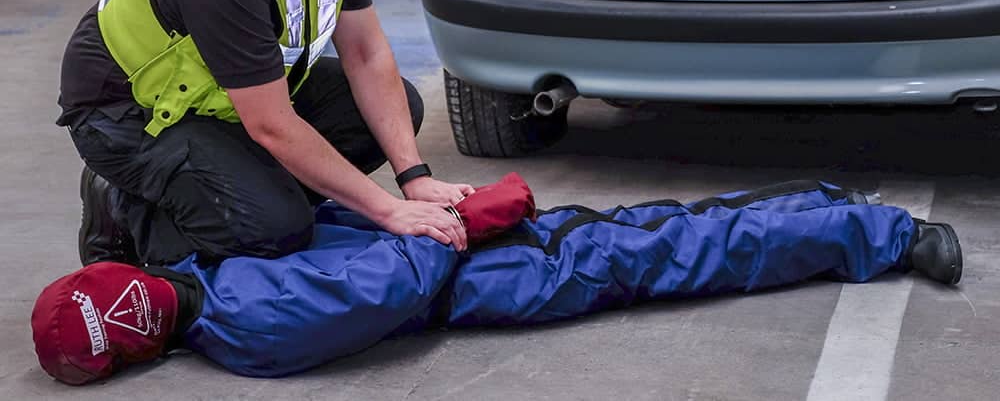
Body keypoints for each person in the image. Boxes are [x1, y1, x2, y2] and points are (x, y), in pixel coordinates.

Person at [31, 177, 963, 384]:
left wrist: (423, 196)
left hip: (468, 245)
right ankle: (880, 232)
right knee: (686, 251)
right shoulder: (250, 324)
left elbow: (338, 229)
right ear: (135, 346)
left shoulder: (199, 267)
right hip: (492, 277)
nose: (127, 295)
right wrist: (465, 220)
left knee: (666, 221)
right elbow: (390, 286)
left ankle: (834, 204)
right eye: (116, 316)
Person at [56, 0, 473, 268]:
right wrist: (389, 211)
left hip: (219, 102)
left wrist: (413, 178)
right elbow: (271, 124)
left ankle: (238, 188)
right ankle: (124, 212)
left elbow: (367, 54)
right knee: (274, 230)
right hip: (126, 116)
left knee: (398, 109)